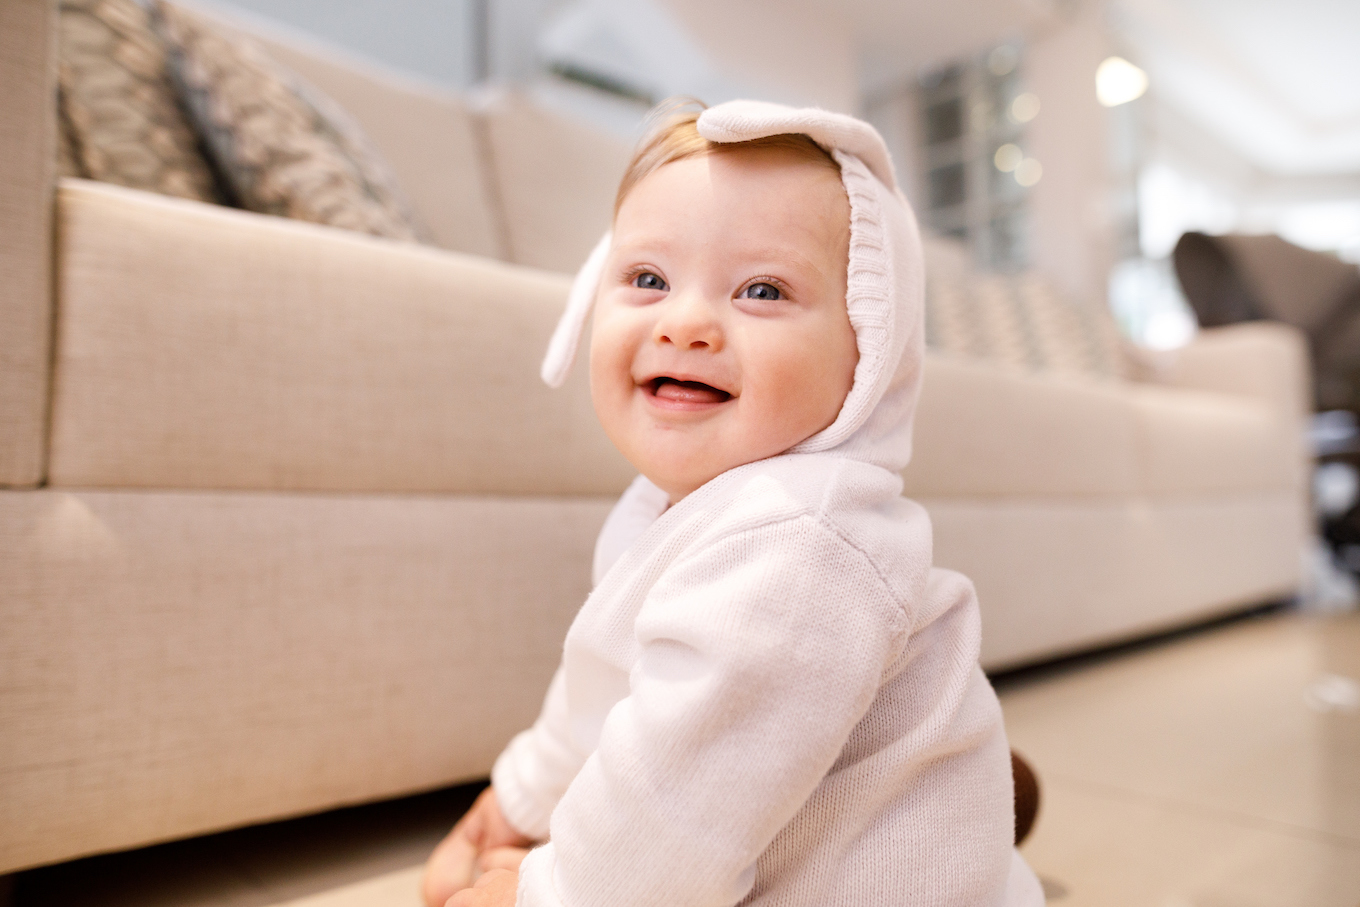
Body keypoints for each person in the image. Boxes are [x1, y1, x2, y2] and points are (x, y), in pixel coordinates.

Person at [422, 98, 1045, 907]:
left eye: (761, 289)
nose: (686, 323)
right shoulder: (676, 506)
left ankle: (959, 812)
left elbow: (672, 814)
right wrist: (518, 802)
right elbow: (609, 685)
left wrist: (542, 895)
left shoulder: (798, 548)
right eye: (647, 278)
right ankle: (968, 789)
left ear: (869, 351)